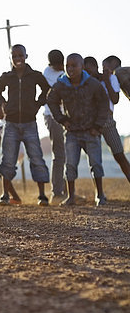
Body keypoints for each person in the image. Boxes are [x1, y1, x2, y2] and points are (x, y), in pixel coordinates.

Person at [47, 53, 109, 206]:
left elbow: (103, 103)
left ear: (82, 67)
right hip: (72, 132)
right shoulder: (61, 84)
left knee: (96, 163)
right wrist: (62, 120)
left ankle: (100, 195)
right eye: (67, 65)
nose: (70, 69)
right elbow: (51, 100)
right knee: (70, 165)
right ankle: (71, 196)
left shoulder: (92, 84)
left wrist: (98, 126)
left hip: (91, 131)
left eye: (74, 65)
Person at [0, 44, 50, 206]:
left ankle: (42, 195)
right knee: (7, 159)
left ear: (26, 56)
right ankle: (4, 195)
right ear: (10, 57)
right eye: (14, 56)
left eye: (20, 56)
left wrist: (38, 104)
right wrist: (2, 103)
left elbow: (46, 89)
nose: (18, 59)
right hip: (10, 123)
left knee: (36, 157)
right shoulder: (6, 77)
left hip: (29, 123)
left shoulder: (35, 75)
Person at [83, 56, 130, 184]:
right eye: (84, 71)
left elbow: (114, 99)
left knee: (119, 155)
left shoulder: (111, 78)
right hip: (91, 122)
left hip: (107, 120)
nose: (87, 73)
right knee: (94, 159)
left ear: (96, 67)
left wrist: (106, 80)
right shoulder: (84, 82)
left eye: (89, 70)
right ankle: (99, 193)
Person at [43, 49, 66, 203]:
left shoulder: (62, 71)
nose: (60, 66)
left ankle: (65, 190)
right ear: (51, 64)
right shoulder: (49, 74)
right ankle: (56, 192)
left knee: (66, 153)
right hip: (53, 116)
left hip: (66, 115)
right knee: (58, 154)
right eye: (58, 64)